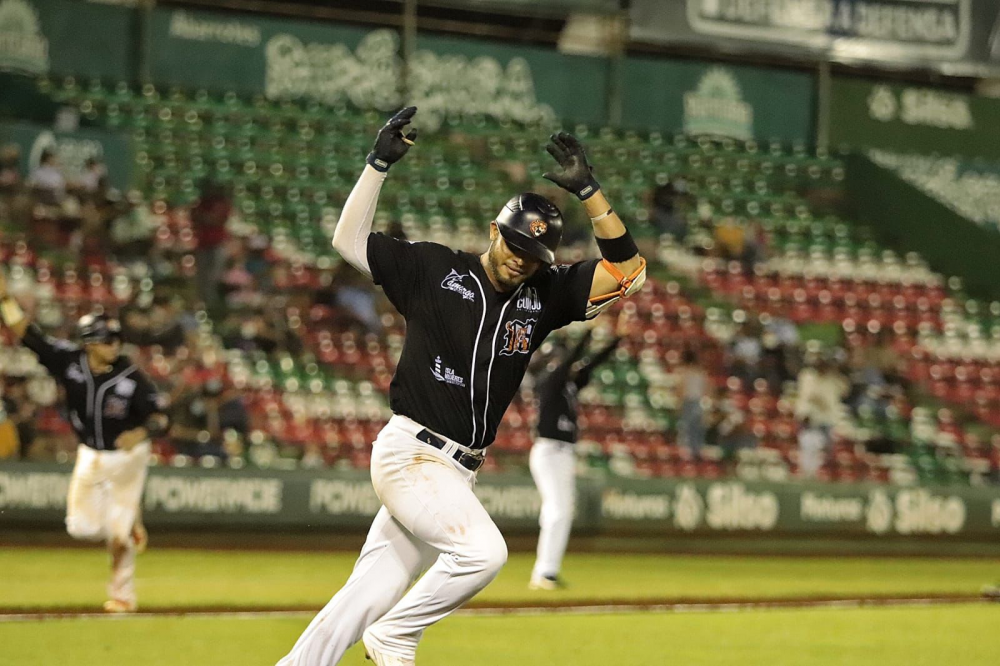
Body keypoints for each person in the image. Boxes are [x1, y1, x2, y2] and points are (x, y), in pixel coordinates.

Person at [278, 107, 645, 666]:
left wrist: (592, 193)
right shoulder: (433, 270)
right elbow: (348, 240)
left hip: (455, 470)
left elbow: (629, 271)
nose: (524, 260)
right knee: (482, 553)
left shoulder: (544, 293)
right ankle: (395, 636)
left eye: (535, 255)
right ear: (496, 231)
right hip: (412, 454)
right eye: (517, 246)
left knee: (365, 595)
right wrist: (377, 165)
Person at [0, 271, 167, 612]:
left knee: (118, 536)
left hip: (128, 458)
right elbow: (28, 335)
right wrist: (4, 301)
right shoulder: (69, 362)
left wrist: (142, 432)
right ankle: (128, 519)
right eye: (108, 340)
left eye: (116, 340)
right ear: (90, 342)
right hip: (90, 453)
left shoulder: (131, 376)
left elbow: (161, 417)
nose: (115, 345)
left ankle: (123, 596)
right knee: (80, 528)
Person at [528, 309, 630, 591]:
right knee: (557, 510)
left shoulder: (568, 385)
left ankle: (547, 571)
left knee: (560, 511)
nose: (563, 360)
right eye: (558, 356)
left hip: (562, 453)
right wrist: (589, 332)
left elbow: (592, 364)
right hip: (548, 451)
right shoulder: (548, 382)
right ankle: (543, 573)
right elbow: (572, 360)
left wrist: (617, 339)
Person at [190, 178, 232, 313]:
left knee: (216, 275)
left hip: (217, 244)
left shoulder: (222, 204)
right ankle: (202, 304)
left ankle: (213, 305)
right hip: (203, 244)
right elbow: (194, 216)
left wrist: (205, 217)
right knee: (202, 276)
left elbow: (216, 219)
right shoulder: (201, 204)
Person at [676, 349, 708, 457]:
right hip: (697, 401)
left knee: (688, 427)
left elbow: (681, 388)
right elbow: (706, 388)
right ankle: (696, 450)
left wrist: (679, 403)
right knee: (695, 428)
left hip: (689, 401)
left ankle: (690, 452)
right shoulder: (700, 372)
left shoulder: (685, 372)